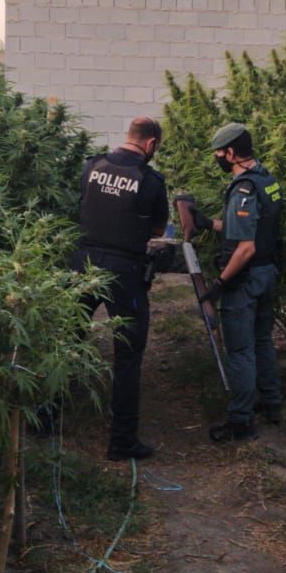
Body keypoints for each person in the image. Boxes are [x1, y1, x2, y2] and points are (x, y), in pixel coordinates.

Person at [69, 116, 167, 461]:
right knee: (127, 356)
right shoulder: (151, 181)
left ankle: (47, 419)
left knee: (67, 341)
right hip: (124, 271)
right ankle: (122, 442)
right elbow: (158, 230)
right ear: (151, 143)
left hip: (81, 265)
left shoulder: (91, 166)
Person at [197, 122, 283, 441]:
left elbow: (245, 247)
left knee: (240, 350)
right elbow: (250, 227)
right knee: (262, 341)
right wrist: (209, 224)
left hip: (245, 279)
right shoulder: (266, 179)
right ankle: (272, 403)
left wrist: (220, 283)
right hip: (267, 273)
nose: (218, 158)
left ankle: (241, 422)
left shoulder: (243, 188)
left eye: (219, 153)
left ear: (231, 153)